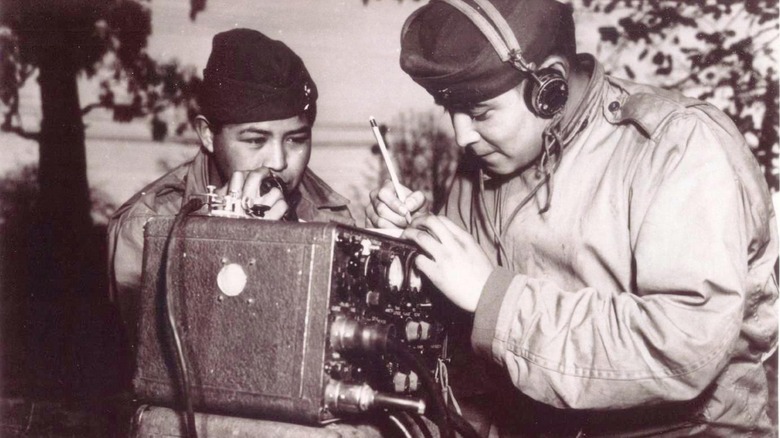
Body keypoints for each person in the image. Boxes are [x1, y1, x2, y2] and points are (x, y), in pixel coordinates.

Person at [366, 0, 778, 435]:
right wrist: (409, 251)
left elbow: (683, 346)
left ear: (550, 88)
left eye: (480, 112)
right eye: (450, 112)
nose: (462, 135)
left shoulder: (676, 146)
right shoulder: (486, 165)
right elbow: (452, 336)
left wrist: (497, 301)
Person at [108, 28, 354, 347]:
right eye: (255, 140)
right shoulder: (148, 225)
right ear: (208, 135)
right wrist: (213, 247)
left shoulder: (330, 214)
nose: (278, 161)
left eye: (296, 140)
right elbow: (154, 366)